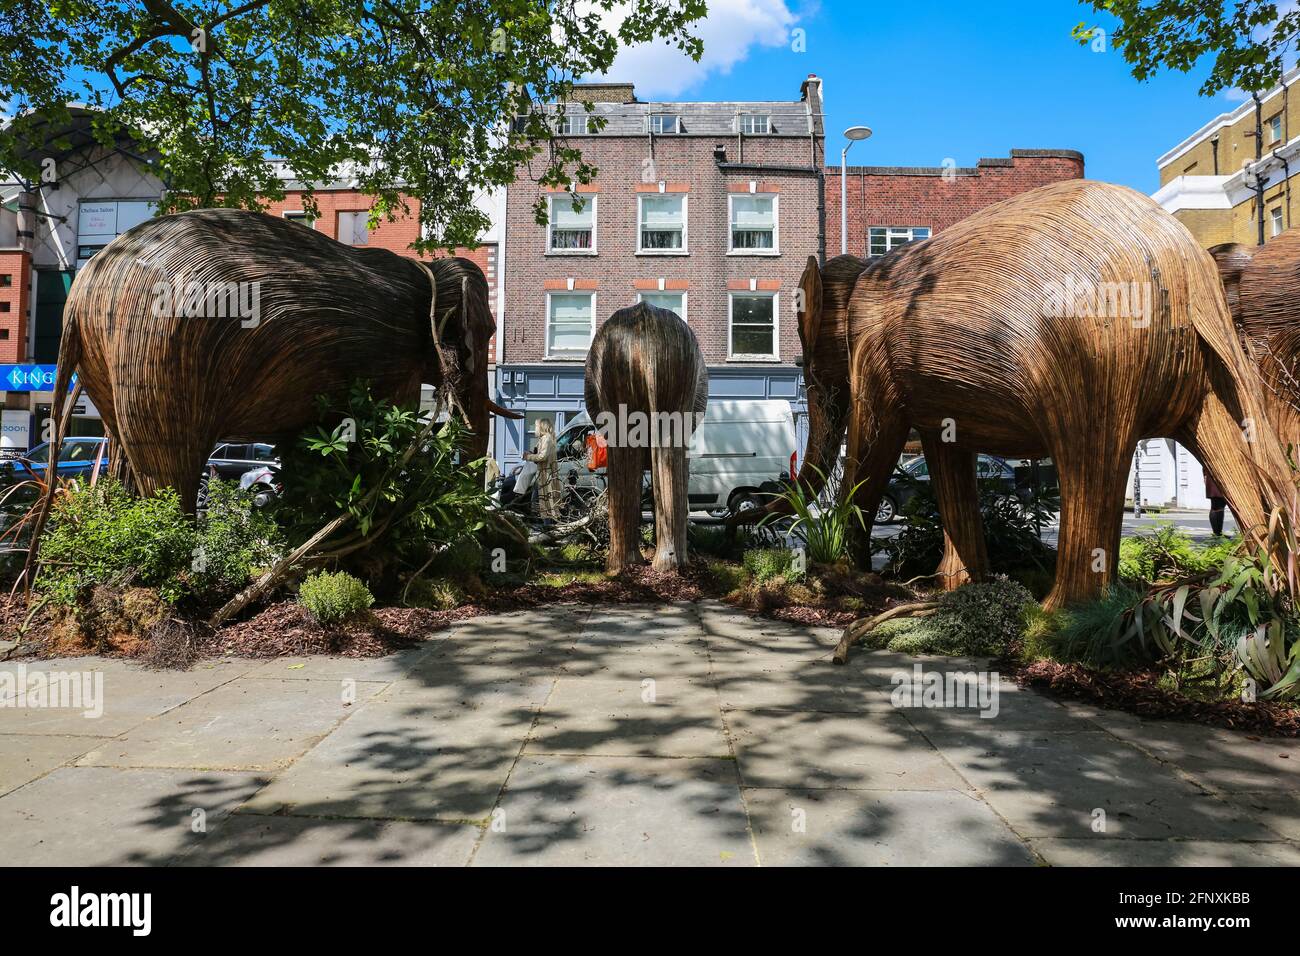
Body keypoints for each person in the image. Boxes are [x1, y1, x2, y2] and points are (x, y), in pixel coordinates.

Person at [523, 418, 561, 521]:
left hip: (545, 474)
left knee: (545, 500)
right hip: (543, 473)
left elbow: (542, 456)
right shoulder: (546, 438)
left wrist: (528, 457)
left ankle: (546, 527)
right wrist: (531, 454)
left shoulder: (546, 438)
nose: (535, 428)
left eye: (536, 426)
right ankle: (543, 524)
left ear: (541, 426)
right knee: (540, 499)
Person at [1204, 468, 1228, 536]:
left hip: (1214, 478)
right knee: (1217, 506)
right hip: (1216, 478)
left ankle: (1218, 533)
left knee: (1219, 506)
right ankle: (1217, 533)